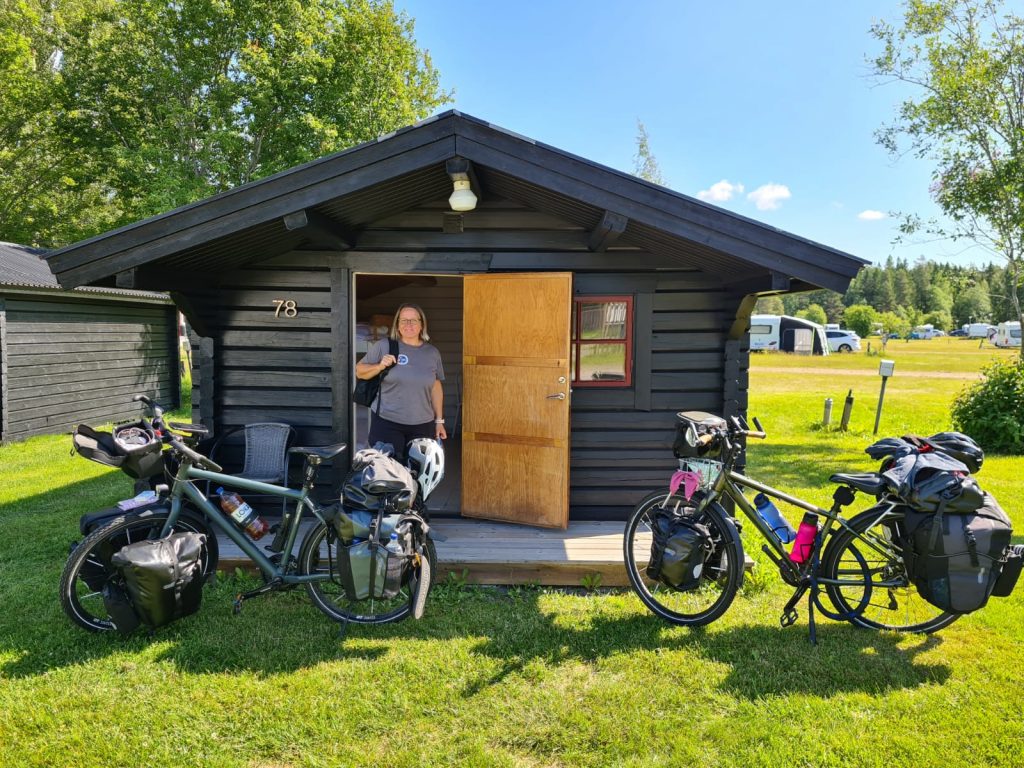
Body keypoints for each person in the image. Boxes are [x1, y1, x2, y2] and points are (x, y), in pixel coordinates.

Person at [355, 303, 446, 458]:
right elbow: (359, 371)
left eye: (413, 320)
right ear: (397, 325)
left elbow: (436, 386)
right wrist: (379, 366)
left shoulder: (432, 353)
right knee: (389, 470)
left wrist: (439, 421)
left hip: (422, 425)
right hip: (387, 423)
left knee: (418, 470)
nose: (408, 324)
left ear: (422, 325)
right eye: (404, 320)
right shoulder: (384, 346)